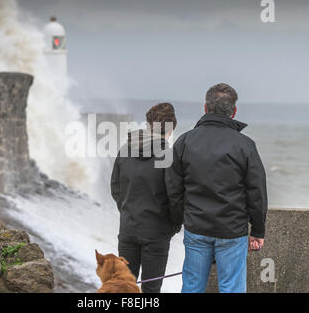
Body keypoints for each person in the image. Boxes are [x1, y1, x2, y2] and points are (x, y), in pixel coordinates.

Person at [165, 83, 268, 293]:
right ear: (234, 111)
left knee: (192, 286)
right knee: (231, 288)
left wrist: (181, 218)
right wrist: (257, 230)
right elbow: (256, 192)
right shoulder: (244, 145)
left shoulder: (185, 141)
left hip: (196, 227)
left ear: (205, 108)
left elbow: (173, 188)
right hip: (232, 230)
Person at [111, 102, 180, 293]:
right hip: (156, 233)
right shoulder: (169, 155)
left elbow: (116, 188)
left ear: (148, 125)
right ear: (172, 127)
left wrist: (127, 211)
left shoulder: (125, 150)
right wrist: (172, 226)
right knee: (151, 289)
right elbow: (175, 196)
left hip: (128, 228)